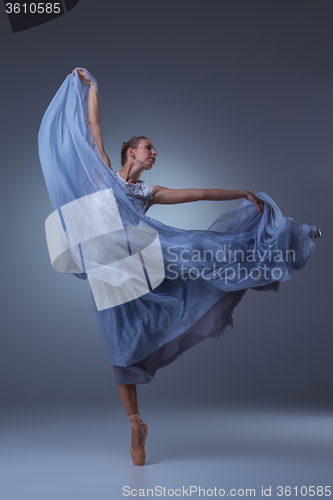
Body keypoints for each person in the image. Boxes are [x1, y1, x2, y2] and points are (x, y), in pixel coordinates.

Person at [40, 68, 320, 467]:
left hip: (146, 260)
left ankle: (289, 240)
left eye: (155, 149)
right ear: (129, 152)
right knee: (123, 347)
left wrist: (242, 192)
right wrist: (91, 87)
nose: (154, 153)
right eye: (148, 147)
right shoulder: (104, 173)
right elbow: (92, 123)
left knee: (204, 249)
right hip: (110, 273)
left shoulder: (149, 192)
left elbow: (199, 194)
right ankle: (136, 424)